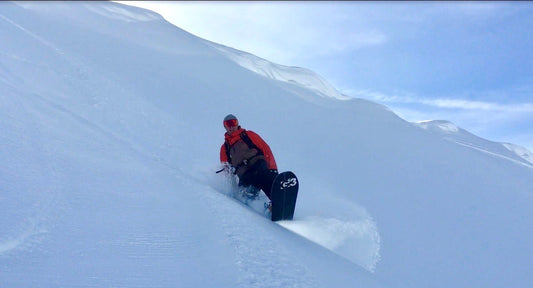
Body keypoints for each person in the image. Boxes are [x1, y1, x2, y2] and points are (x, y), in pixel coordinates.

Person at [220, 114, 278, 200]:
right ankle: (263, 208)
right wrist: (232, 188)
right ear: (225, 126)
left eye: (233, 122)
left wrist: (273, 168)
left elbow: (265, 149)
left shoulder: (248, 135)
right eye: (228, 124)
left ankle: (276, 200)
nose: (231, 126)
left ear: (237, 123)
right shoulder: (225, 148)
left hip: (257, 164)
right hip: (244, 174)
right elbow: (226, 169)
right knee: (245, 195)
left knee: (262, 176)